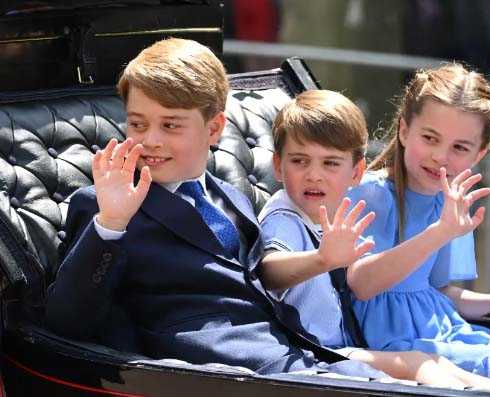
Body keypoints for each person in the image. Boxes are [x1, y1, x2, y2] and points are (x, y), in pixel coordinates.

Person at [43, 38, 387, 378]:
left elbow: (258, 283)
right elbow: (65, 321)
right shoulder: (104, 206)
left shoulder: (232, 197)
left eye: (171, 125)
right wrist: (111, 224)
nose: (150, 140)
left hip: (294, 351)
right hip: (213, 370)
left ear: (214, 129)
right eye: (138, 124)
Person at [258, 89, 490, 393]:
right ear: (278, 165)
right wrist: (321, 259)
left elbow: (439, 290)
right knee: (422, 364)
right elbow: (268, 270)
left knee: (439, 364)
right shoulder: (287, 215)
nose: (314, 175)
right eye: (300, 161)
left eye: (330, 164)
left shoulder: (328, 212)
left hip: (352, 344)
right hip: (320, 353)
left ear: (354, 171)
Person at [345, 63, 490, 387]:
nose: (440, 156)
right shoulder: (371, 194)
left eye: (459, 148)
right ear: (405, 130)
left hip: (448, 332)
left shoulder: (451, 200)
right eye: (430, 138)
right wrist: (440, 232)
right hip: (401, 346)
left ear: (478, 155)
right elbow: (362, 284)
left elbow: (442, 293)